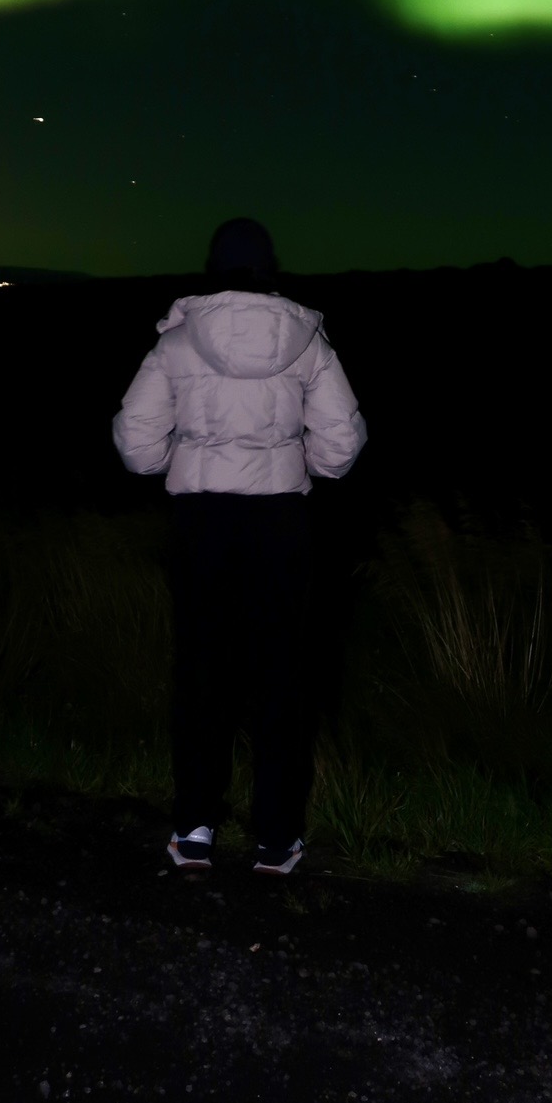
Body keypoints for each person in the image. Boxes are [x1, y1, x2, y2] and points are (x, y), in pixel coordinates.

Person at [111, 217, 367, 875]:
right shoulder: (308, 339)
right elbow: (341, 446)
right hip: (280, 522)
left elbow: (138, 447)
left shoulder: (177, 340)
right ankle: (276, 840)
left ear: (214, 267)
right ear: (269, 268)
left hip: (202, 522)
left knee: (202, 671)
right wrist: (293, 465)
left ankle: (195, 829)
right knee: (280, 676)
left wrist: (187, 458)